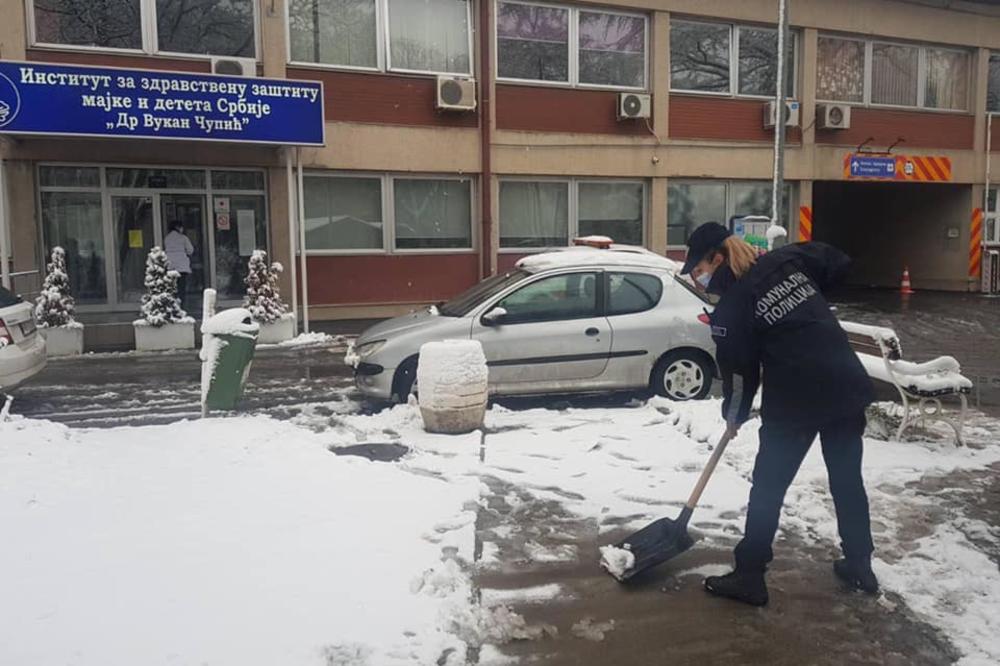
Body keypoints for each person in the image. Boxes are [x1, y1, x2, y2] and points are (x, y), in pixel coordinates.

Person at [680, 222, 878, 607]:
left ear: (718, 258)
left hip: (795, 402)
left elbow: (738, 374)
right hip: (844, 385)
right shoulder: (789, 260)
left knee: (768, 488)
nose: (699, 278)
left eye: (700, 269)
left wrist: (734, 415)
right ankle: (860, 565)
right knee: (847, 480)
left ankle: (750, 576)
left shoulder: (733, 308)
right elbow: (836, 260)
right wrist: (810, 308)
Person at [164, 222, 194, 310]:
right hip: (182, 266)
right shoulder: (183, 238)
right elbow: (190, 250)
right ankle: (182, 306)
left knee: (171, 287)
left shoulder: (167, 238)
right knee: (181, 287)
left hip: (170, 265)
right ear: (178, 227)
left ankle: (172, 306)